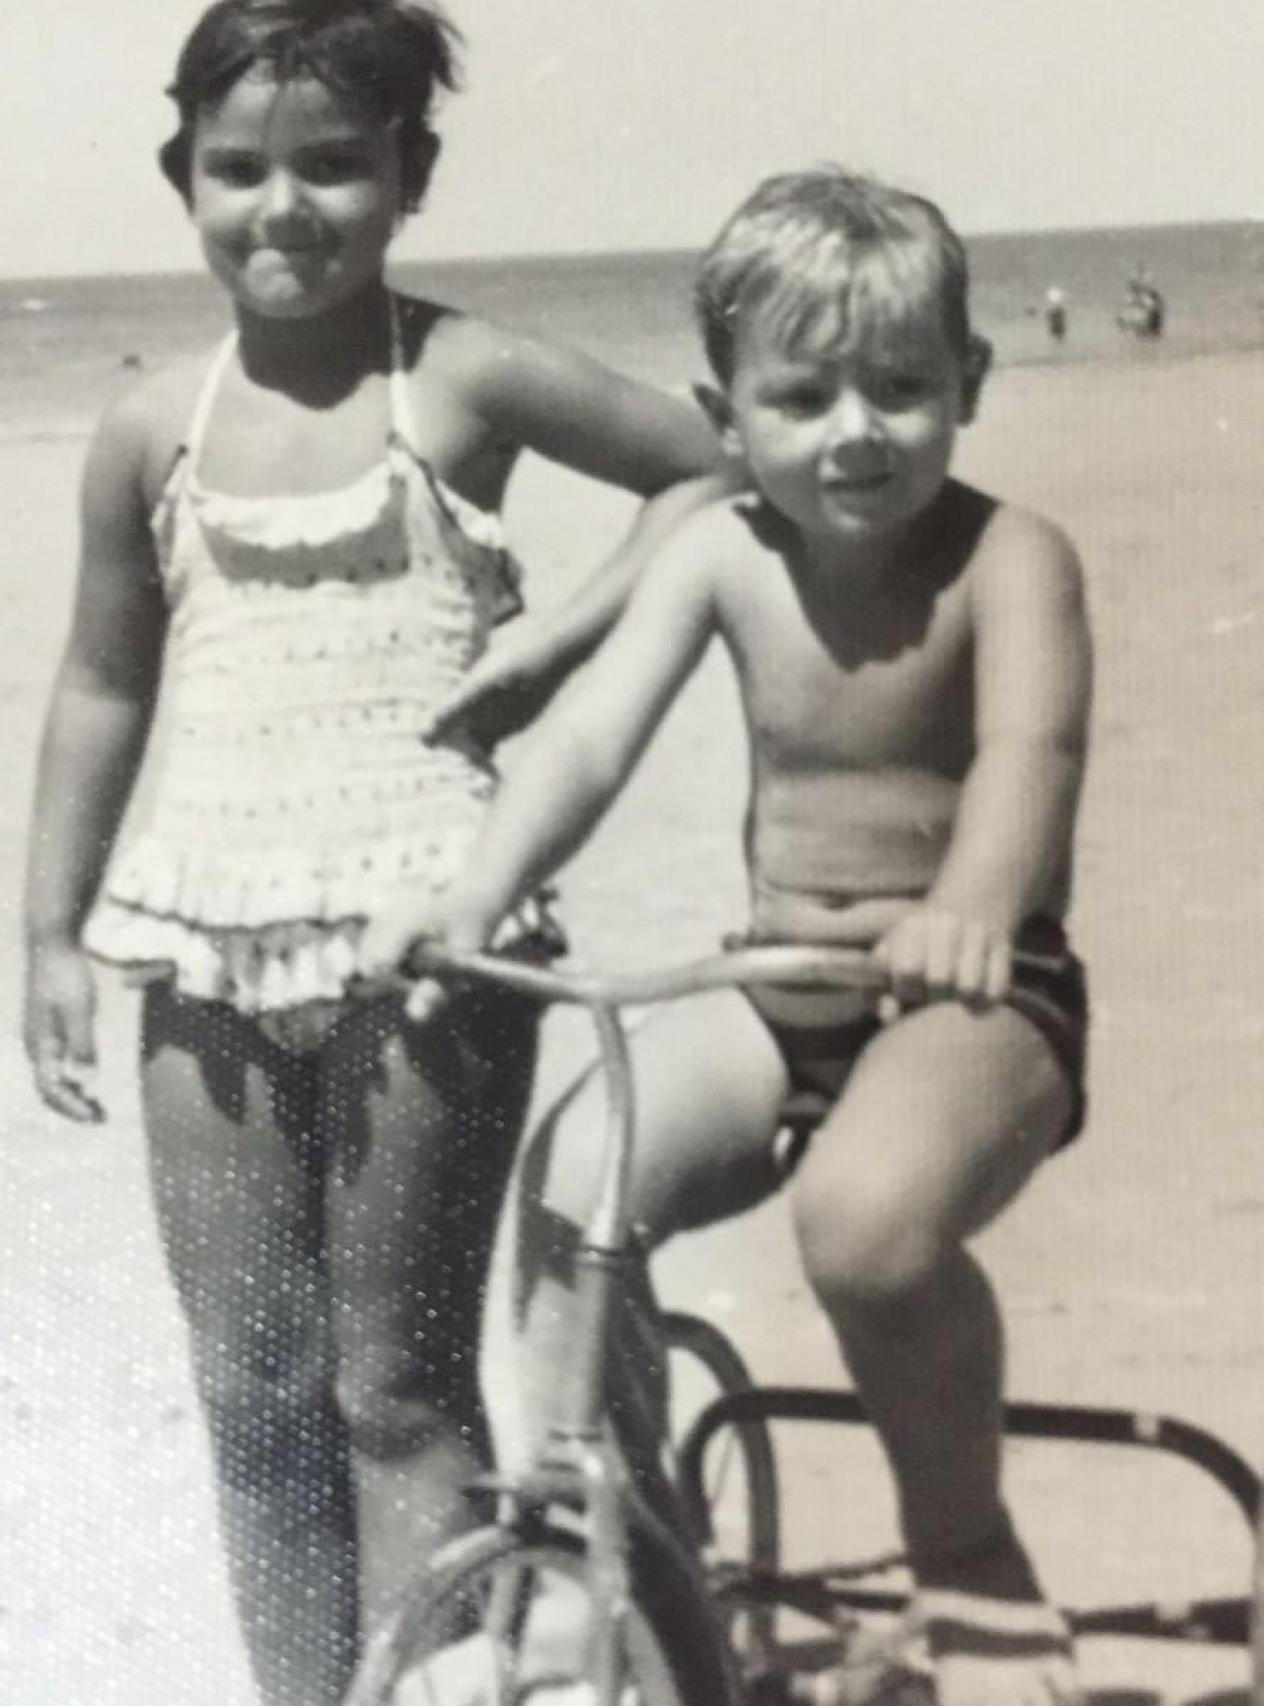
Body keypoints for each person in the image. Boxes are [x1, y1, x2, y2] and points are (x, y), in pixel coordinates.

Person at [18, 5, 725, 1704]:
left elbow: (706, 476)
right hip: (202, 941)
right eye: (240, 168)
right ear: (180, 177)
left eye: (336, 165)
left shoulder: (460, 375)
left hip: (438, 936)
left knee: (394, 1387)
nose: (286, 207)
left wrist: (554, 652)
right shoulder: (148, 429)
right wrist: (47, 931)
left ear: (410, 173)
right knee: (255, 1392)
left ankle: (431, 1689)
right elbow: (104, 680)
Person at [367, 166, 1095, 1706]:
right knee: (576, 1178)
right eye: (804, 393)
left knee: (861, 1224)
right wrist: (480, 885)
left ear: (967, 382)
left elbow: (1033, 752)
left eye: (901, 388)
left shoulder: (1007, 556)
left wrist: (972, 904)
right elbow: (584, 747)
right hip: (775, 984)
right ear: (728, 409)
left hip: (974, 1000)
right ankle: (613, 1543)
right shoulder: (719, 554)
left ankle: (962, 1545)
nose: (855, 430)